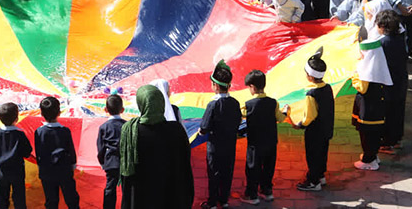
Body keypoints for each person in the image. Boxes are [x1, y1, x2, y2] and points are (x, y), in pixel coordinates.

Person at [119, 85, 193, 209]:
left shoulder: (130, 131)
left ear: (140, 104)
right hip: (171, 195)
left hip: (141, 196)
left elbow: (125, 169)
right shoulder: (176, 130)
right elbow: (185, 163)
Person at [198, 60, 241, 209]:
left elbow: (204, 126)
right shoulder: (235, 103)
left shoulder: (213, 104)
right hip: (230, 145)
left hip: (215, 147)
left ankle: (212, 203)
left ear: (215, 86)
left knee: (214, 172)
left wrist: (201, 131)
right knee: (227, 172)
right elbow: (237, 121)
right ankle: (224, 200)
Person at [241, 70, 288, 205]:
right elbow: (280, 118)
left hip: (255, 144)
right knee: (268, 167)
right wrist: (286, 111)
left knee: (252, 168)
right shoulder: (273, 103)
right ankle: (267, 191)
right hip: (271, 143)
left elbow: (240, 114)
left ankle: (252, 195)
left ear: (252, 87)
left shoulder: (248, 105)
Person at [292, 47, 334, 191]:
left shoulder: (312, 93)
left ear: (310, 76)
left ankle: (313, 181)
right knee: (322, 153)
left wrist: (300, 124)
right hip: (326, 129)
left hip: (315, 131)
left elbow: (310, 116)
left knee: (313, 155)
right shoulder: (327, 87)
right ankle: (320, 175)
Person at [352, 35, 392, 170]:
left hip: (368, 107)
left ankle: (369, 160)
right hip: (378, 106)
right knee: (374, 133)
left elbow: (362, 88)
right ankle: (373, 155)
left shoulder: (365, 69)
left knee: (366, 134)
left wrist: (355, 77)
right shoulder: (379, 65)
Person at [34, 96, 80, 209]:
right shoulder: (65, 131)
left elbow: (39, 152)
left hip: (47, 171)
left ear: (41, 114)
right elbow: (71, 150)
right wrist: (73, 165)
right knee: (71, 198)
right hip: (64, 170)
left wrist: (41, 168)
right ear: (59, 112)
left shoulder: (39, 132)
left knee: (51, 200)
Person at [377, 10, 408, 153]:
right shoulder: (400, 39)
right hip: (401, 80)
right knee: (398, 110)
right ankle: (396, 139)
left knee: (388, 112)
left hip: (388, 82)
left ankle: (387, 142)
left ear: (383, 26)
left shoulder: (383, 43)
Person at [0, 102, 33, 209]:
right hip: (17, 171)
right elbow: (27, 151)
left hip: (2, 171)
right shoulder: (19, 134)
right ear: (16, 118)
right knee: (19, 195)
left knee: (2, 195)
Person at [97, 94, 125, 209]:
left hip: (111, 162)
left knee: (110, 188)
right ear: (122, 110)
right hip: (125, 162)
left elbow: (100, 147)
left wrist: (103, 162)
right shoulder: (127, 125)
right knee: (127, 189)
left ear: (106, 110)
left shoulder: (104, 127)